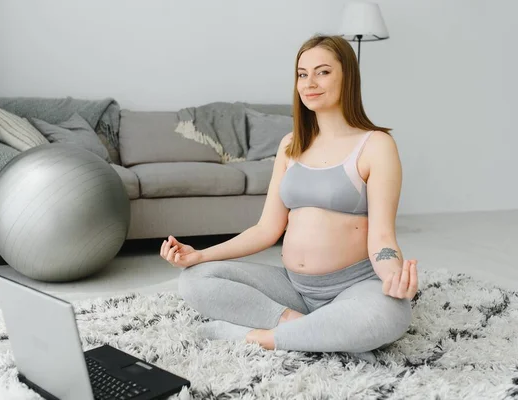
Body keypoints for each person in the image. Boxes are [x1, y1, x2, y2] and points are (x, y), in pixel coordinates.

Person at [159, 35, 418, 359]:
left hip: (354, 286)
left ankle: (257, 337)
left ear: (347, 77)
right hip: (292, 288)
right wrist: (201, 255)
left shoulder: (376, 145)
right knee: (194, 280)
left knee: (391, 314)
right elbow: (266, 229)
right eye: (302, 73)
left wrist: (392, 275)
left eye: (322, 72)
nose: (309, 82)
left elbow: (382, 237)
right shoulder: (290, 145)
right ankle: (308, 330)